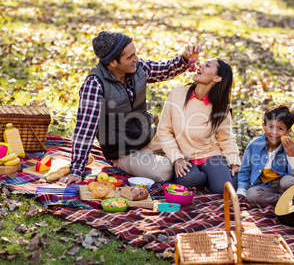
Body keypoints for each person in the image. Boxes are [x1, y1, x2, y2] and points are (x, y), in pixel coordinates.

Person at [58, 31, 202, 185]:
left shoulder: (138, 69)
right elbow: (85, 129)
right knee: (164, 171)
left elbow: (166, 69)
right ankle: (173, 161)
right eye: (130, 57)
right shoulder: (94, 85)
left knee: (195, 138)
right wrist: (76, 170)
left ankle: (181, 159)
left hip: (151, 137)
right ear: (113, 62)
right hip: (125, 153)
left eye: (135, 53)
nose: (136, 59)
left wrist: (185, 59)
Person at [156, 58, 240, 194]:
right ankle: (212, 177)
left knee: (223, 188)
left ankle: (222, 175)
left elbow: (225, 139)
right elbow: (164, 130)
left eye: (207, 65)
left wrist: (234, 161)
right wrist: (176, 158)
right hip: (185, 156)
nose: (200, 65)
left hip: (210, 153)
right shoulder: (177, 94)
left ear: (217, 78)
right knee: (189, 179)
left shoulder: (221, 107)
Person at [236, 104, 294, 205]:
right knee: (251, 194)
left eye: (280, 128)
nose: (274, 132)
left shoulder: (290, 146)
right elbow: (245, 170)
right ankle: (285, 200)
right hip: (265, 187)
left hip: (284, 184)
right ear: (264, 126)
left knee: (287, 181)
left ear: (288, 131)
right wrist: (241, 190)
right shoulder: (254, 146)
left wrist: (291, 155)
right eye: (271, 127)